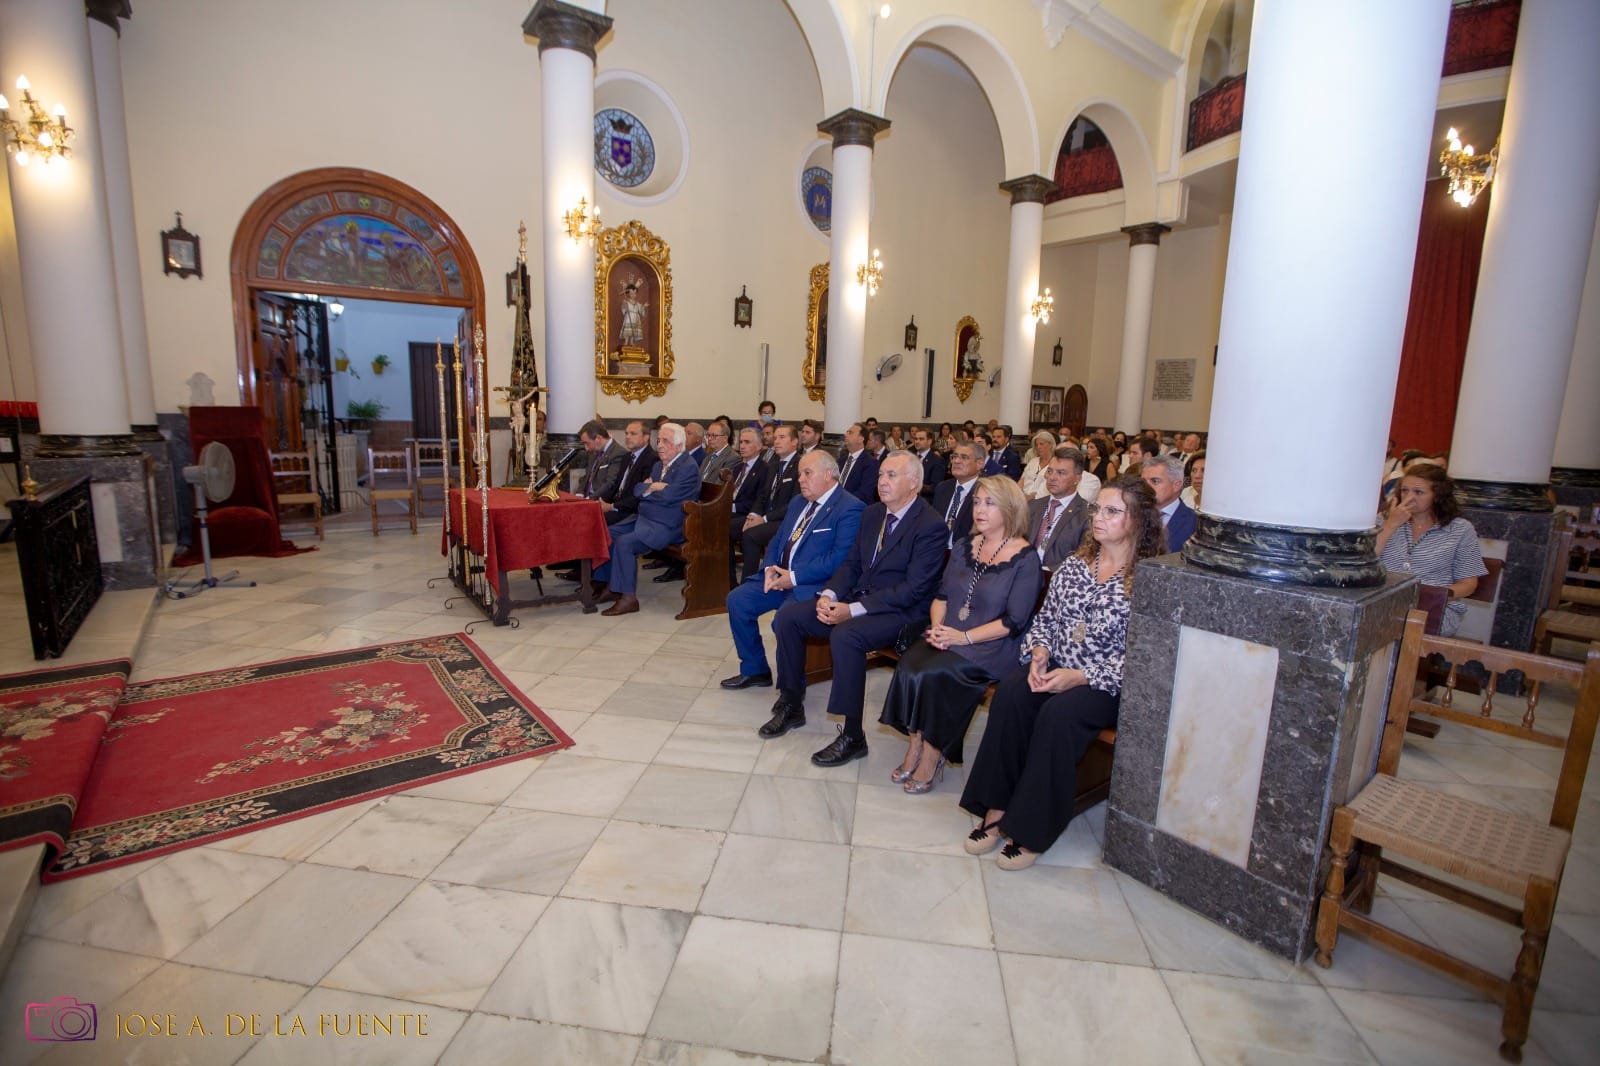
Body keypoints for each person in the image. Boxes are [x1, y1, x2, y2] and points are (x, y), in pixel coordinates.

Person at [959, 477, 1166, 869]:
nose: (1098, 517)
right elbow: (1045, 620)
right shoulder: (1075, 565)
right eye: (1097, 509)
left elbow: (1145, 655)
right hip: (1057, 664)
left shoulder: (1150, 580)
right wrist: (1039, 652)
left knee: (1059, 715)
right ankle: (996, 808)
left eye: (1112, 511)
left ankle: (1032, 830)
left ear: (1139, 520)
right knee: (1012, 694)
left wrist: (1081, 677)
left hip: (1106, 683)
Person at [766, 452, 948, 766]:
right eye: (881, 475)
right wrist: (829, 594)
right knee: (790, 617)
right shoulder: (873, 513)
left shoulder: (931, 525)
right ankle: (791, 702)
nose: (882, 482)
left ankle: (853, 736)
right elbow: (851, 564)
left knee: (846, 635)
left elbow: (913, 589)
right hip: (860, 599)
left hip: (901, 613)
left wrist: (853, 610)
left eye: (892, 475)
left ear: (914, 483)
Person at [880, 477, 1042, 793]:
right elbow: (942, 596)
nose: (979, 510)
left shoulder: (1025, 558)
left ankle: (933, 753)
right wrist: (938, 628)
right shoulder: (965, 546)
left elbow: (1014, 622)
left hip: (992, 645)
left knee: (936, 673)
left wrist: (962, 638)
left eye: (989, 503)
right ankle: (916, 743)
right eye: (977, 502)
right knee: (910, 664)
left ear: (1010, 508)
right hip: (949, 632)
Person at [722, 450, 865, 688]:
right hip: (780, 576)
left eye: (807, 473)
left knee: (782, 621)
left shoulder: (850, 508)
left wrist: (795, 577)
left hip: (813, 584)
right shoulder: (799, 502)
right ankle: (755, 670)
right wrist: (769, 567)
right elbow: (778, 539)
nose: (800, 480)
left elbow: (839, 558)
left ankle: (791, 690)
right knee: (738, 600)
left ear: (828, 474)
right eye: (799, 474)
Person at [592, 422, 700, 616]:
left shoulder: (688, 467)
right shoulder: (659, 465)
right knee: (608, 534)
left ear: (678, 445)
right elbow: (638, 490)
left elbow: (669, 496)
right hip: (646, 517)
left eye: (665, 441)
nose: (660, 445)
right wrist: (653, 487)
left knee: (625, 543)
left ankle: (628, 598)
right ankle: (611, 586)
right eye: (659, 440)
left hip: (668, 525)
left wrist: (651, 490)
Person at [1376, 463, 1486, 637]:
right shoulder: (1385, 520)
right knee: (1376, 623)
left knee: (1395, 626)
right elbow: (1367, 558)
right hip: (1384, 601)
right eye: (1405, 491)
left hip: (1433, 607)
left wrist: (1432, 596)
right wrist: (1391, 525)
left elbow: (1468, 583)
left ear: (1437, 495)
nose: (1409, 498)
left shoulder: (1459, 529)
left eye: (1418, 492)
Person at [739, 424, 801, 582]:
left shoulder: (800, 465)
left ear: (794, 442)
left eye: (782, 437)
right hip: (766, 516)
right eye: (775, 438)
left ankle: (748, 582)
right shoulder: (774, 465)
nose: (776, 442)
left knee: (750, 536)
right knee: (728, 528)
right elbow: (762, 495)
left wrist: (764, 519)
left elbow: (794, 503)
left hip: (786, 520)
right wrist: (753, 515)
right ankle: (728, 581)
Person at [1028, 446, 1091, 569]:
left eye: (1061, 473)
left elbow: (1084, 558)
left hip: (1058, 577)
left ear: (1077, 479)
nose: (1052, 477)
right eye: (1050, 471)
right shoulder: (1033, 507)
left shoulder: (1086, 515)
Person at [932, 439, 987, 548]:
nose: (956, 461)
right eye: (954, 456)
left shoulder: (985, 492)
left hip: (966, 552)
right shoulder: (943, 488)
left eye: (964, 457)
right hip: (937, 549)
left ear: (979, 463)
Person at [602, 420, 658, 526]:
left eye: (633, 434)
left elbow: (640, 495)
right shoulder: (627, 457)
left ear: (646, 437)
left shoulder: (653, 459)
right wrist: (601, 501)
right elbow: (616, 486)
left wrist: (612, 507)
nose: (628, 437)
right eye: (626, 433)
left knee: (596, 520)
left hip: (631, 512)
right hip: (617, 505)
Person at [1141, 453, 1196, 552]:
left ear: (1176, 485)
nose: (1146, 487)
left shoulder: (1194, 523)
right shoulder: (1132, 514)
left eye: (1155, 481)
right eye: (1143, 482)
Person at [836, 422, 880, 504]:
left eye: (850, 433)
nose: (845, 435)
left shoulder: (871, 463)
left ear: (861, 439)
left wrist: (839, 501)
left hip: (854, 506)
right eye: (847, 432)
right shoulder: (840, 461)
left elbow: (864, 494)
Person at [911, 426, 947, 500]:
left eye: (921, 439)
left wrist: (912, 486)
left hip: (925, 500)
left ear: (929, 441)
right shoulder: (909, 457)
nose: (917, 441)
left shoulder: (937, 461)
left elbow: (935, 487)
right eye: (916, 439)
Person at [1019, 430, 1057, 499]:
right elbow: (1022, 481)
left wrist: (1030, 497)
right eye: (1036, 445)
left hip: (1041, 499)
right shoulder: (1033, 461)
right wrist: (1017, 494)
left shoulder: (1056, 464)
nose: (1038, 447)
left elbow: (1049, 489)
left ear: (1051, 445)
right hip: (1023, 497)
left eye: (1041, 444)